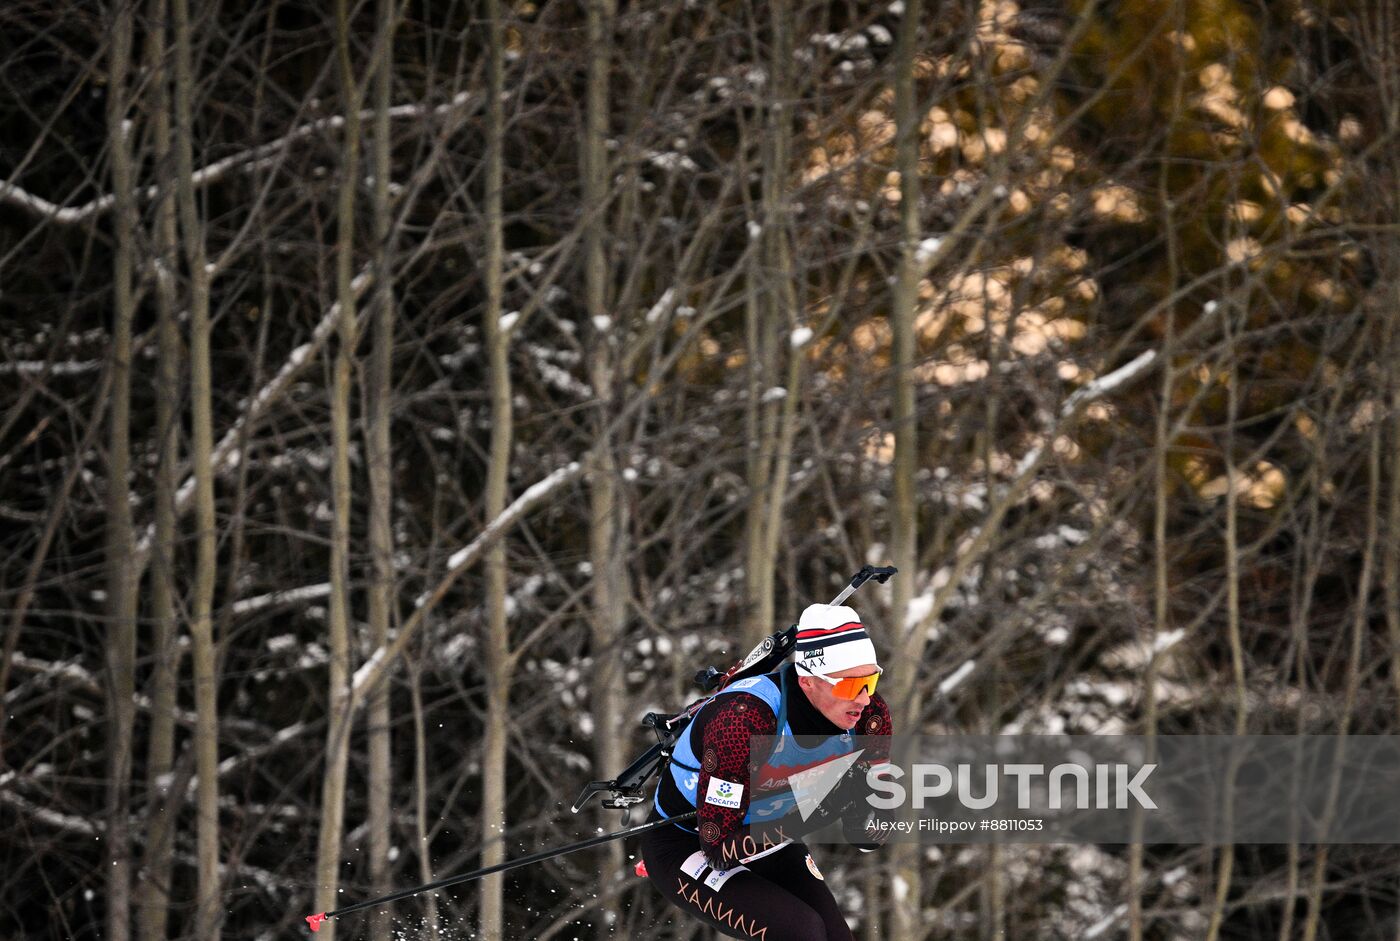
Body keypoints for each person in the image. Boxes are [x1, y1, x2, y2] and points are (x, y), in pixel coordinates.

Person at [640, 603, 893, 940]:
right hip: (687, 842)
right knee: (800, 932)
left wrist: (867, 805)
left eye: (870, 681)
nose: (863, 699)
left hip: (765, 832)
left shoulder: (869, 716)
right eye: (849, 685)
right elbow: (717, 850)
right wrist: (823, 805)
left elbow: (868, 837)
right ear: (808, 681)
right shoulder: (742, 720)